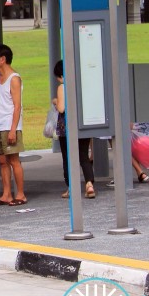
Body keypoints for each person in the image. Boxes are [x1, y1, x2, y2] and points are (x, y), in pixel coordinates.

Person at [0, 44, 27, 206]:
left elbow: (17, 106)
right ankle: (6, 194)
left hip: (10, 126)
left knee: (14, 160)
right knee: (2, 160)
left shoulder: (14, 79)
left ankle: (21, 194)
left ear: (2, 59)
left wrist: (13, 130)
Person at [52, 60, 96, 199]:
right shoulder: (83, 85)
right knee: (83, 156)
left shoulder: (62, 87)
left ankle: (71, 187)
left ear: (61, 75)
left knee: (68, 158)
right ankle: (89, 183)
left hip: (67, 128)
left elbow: (61, 108)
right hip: (83, 124)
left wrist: (55, 101)